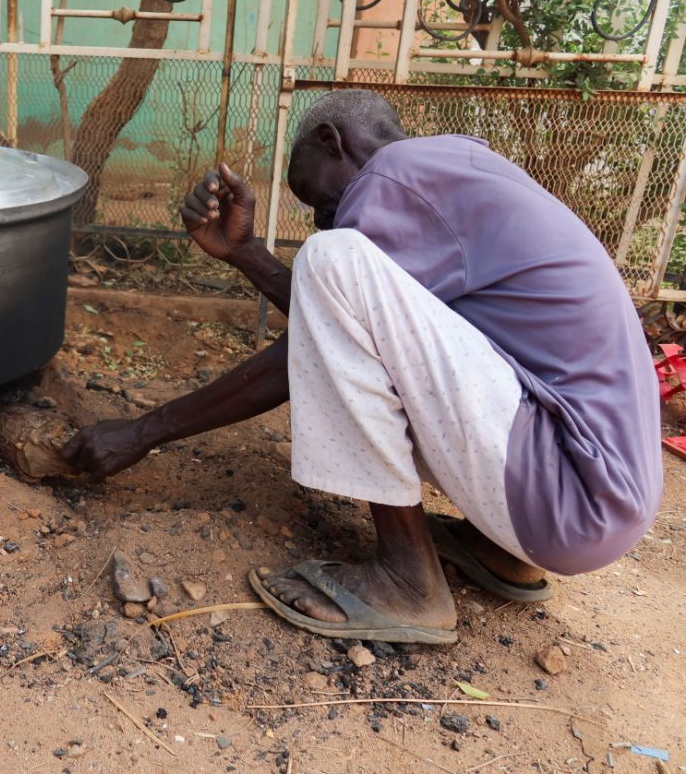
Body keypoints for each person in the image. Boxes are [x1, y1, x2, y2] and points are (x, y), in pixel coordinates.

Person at [60, 89, 663, 644]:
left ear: (332, 141)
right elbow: (347, 334)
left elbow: (311, 342)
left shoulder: (393, 177)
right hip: (586, 503)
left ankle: (407, 583)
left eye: (316, 197)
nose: (322, 216)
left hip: (566, 492)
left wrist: (143, 431)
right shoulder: (454, 170)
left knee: (332, 257)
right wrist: (246, 254)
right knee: (335, 263)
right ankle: (496, 552)